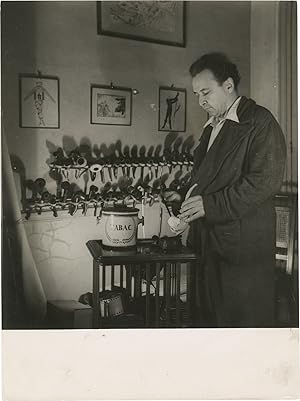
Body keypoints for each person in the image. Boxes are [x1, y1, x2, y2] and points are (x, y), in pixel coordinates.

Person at [164, 52, 286, 328]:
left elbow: (264, 182)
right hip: (210, 244)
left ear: (228, 85)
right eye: (196, 94)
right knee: (209, 325)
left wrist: (209, 205)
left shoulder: (259, 122)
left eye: (205, 92)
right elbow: (210, 180)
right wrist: (184, 195)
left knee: (239, 328)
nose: (201, 101)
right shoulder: (212, 128)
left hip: (242, 249)